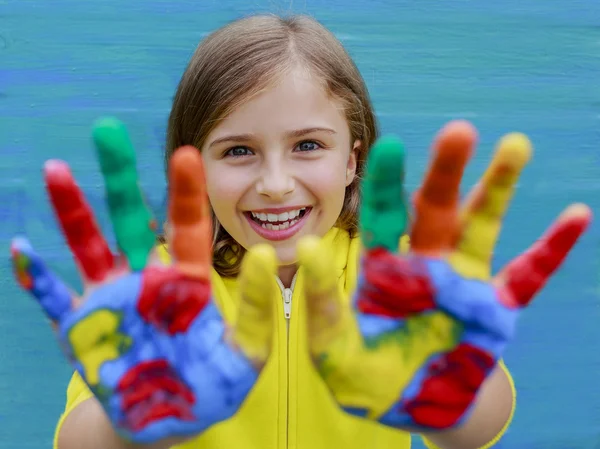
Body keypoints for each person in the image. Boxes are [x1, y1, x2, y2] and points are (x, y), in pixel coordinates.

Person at [11, 13, 591, 449]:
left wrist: (442, 395)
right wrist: (132, 413)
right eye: (238, 151)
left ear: (352, 160)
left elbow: (479, 424)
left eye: (308, 145)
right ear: (193, 168)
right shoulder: (158, 288)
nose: (276, 183)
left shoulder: (402, 284)